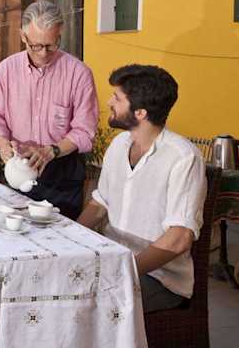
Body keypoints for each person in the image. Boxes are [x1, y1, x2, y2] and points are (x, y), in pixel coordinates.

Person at [77, 64, 207, 313]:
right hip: (111, 260)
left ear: (140, 113)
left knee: (81, 306)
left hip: (158, 278)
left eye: (117, 98)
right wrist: (70, 239)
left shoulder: (183, 157)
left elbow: (179, 238)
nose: (109, 102)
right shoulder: (119, 144)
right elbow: (100, 203)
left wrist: (124, 271)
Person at [0, 0, 98, 219]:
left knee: (64, 236)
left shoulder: (79, 73)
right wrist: (3, 145)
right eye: (36, 46)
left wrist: (52, 151)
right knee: (15, 233)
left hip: (63, 174)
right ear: (23, 36)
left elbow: (85, 130)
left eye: (51, 45)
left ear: (60, 34)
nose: (44, 53)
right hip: (18, 169)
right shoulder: (5, 71)